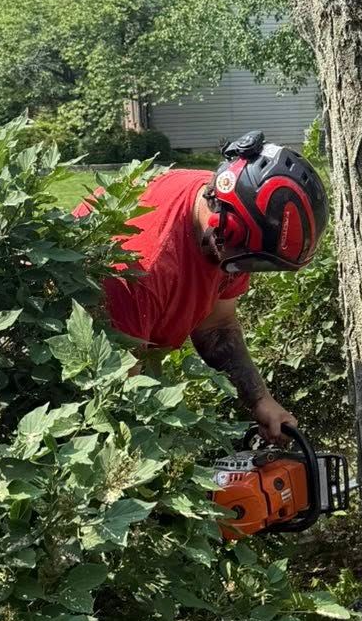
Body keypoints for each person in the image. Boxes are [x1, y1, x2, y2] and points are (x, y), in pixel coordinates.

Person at [74, 131, 327, 437]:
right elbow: (121, 402)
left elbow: (217, 326)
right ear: (226, 228)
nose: (245, 271)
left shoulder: (232, 210)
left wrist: (260, 400)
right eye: (250, 261)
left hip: (134, 350)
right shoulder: (139, 271)